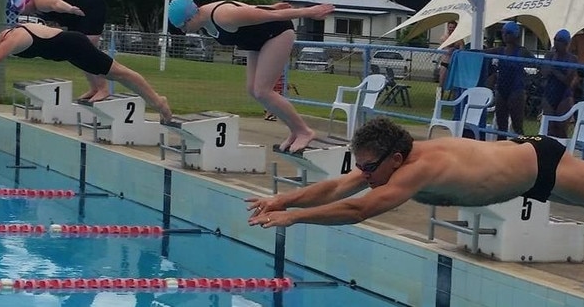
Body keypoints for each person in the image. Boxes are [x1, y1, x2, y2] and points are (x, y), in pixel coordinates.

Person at [247, 116, 584, 228]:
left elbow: (359, 209)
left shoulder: (418, 169)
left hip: (542, 163)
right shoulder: (386, 164)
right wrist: (283, 199)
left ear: (394, 158)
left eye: (368, 167)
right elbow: (337, 188)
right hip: (519, 174)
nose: (362, 174)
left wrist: (294, 218)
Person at [167, 0, 335, 153]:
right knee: (252, 90)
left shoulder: (222, 15)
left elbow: (271, 16)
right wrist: (271, 6)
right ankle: (295, 130)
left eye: (183, 26)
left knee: (263, 90)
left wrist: (309, 12)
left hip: (277, 33)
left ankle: (304, 131)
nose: (183, 31)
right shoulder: (203, 16)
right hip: (256, 41)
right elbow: (249, 8)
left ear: (190, 18)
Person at [0, 23, 172, 123]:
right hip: (70, 52)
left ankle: (158, 101)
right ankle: (98, 89)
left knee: (122, 74)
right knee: (115, 75)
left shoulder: (12, 39)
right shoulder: (4, 36)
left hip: (74, 47)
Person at [6, 0, 109, 102]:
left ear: (27, 2)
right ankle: (95, 88)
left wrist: (70, 9)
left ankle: (103, 89)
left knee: (88, 50)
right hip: (78, 12)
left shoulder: (40, 0)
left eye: (21, 9)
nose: (23, 13)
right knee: (79, 51)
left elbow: (56, 4)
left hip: (90, 5)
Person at [484, 21, 535, 139]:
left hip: (516, 90)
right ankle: (501, 149)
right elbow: (484, 52)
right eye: (503, 33)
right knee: (501, 125)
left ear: (515, 35)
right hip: (502, 89)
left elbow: (536, 63)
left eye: (508, 33)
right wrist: (464, 51)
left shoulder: (522, 51)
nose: (504, 35)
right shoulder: (500, 50)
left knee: (517, 125)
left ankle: (521, 149)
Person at [542, 29, 577, 138]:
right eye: (555, 40)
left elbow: (567, 81)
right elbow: (544, 72)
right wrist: (555, 68)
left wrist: (553, 68)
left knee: (560, 127)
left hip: (564, 96)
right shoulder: (549, 55)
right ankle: (548, 152)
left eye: (559, 41)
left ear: (566, 43)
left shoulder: (572, 58)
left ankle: (562, 151)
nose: (556, 43)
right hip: (549, 93)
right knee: (550, 127)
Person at [438, 20, 465, 94]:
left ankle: (454, 101)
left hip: (455, 64)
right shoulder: (444, 38)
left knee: (455, 85)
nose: (451, 29)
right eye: (450, 27)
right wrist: (454, 47)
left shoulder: (459, 39)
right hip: (445, 63)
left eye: (453, 27)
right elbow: (447, 50)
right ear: (447, 27)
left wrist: (456, 47)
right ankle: (438, 100)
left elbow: (462, 49)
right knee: (441, 83)